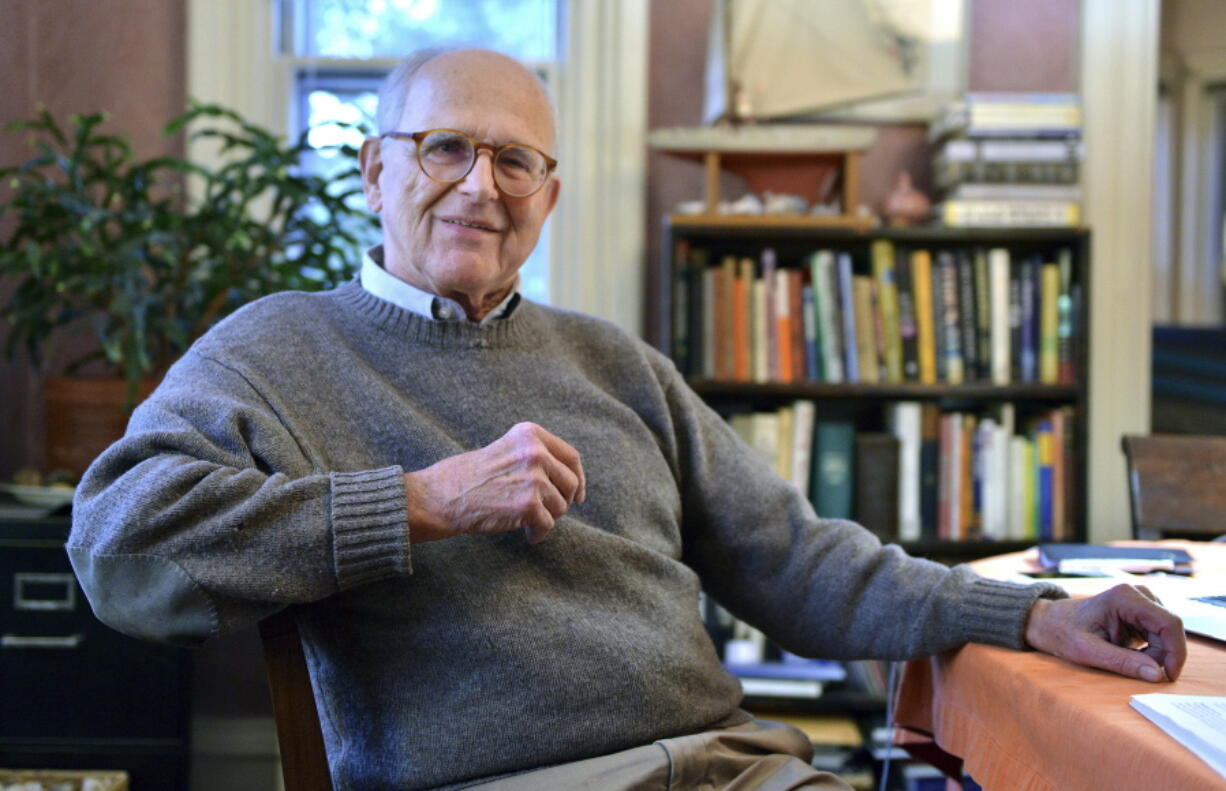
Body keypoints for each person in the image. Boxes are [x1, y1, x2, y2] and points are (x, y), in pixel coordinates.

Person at [68, 48, 1186, 791]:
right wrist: (420, 502)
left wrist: (1030, 613)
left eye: (516, 160)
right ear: (373, 170)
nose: (480, 184)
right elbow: (119, 550)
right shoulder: (277, 348)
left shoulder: (612, 362)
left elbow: (799, 561)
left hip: (734, 767)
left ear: (547, 198)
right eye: (445, 147)